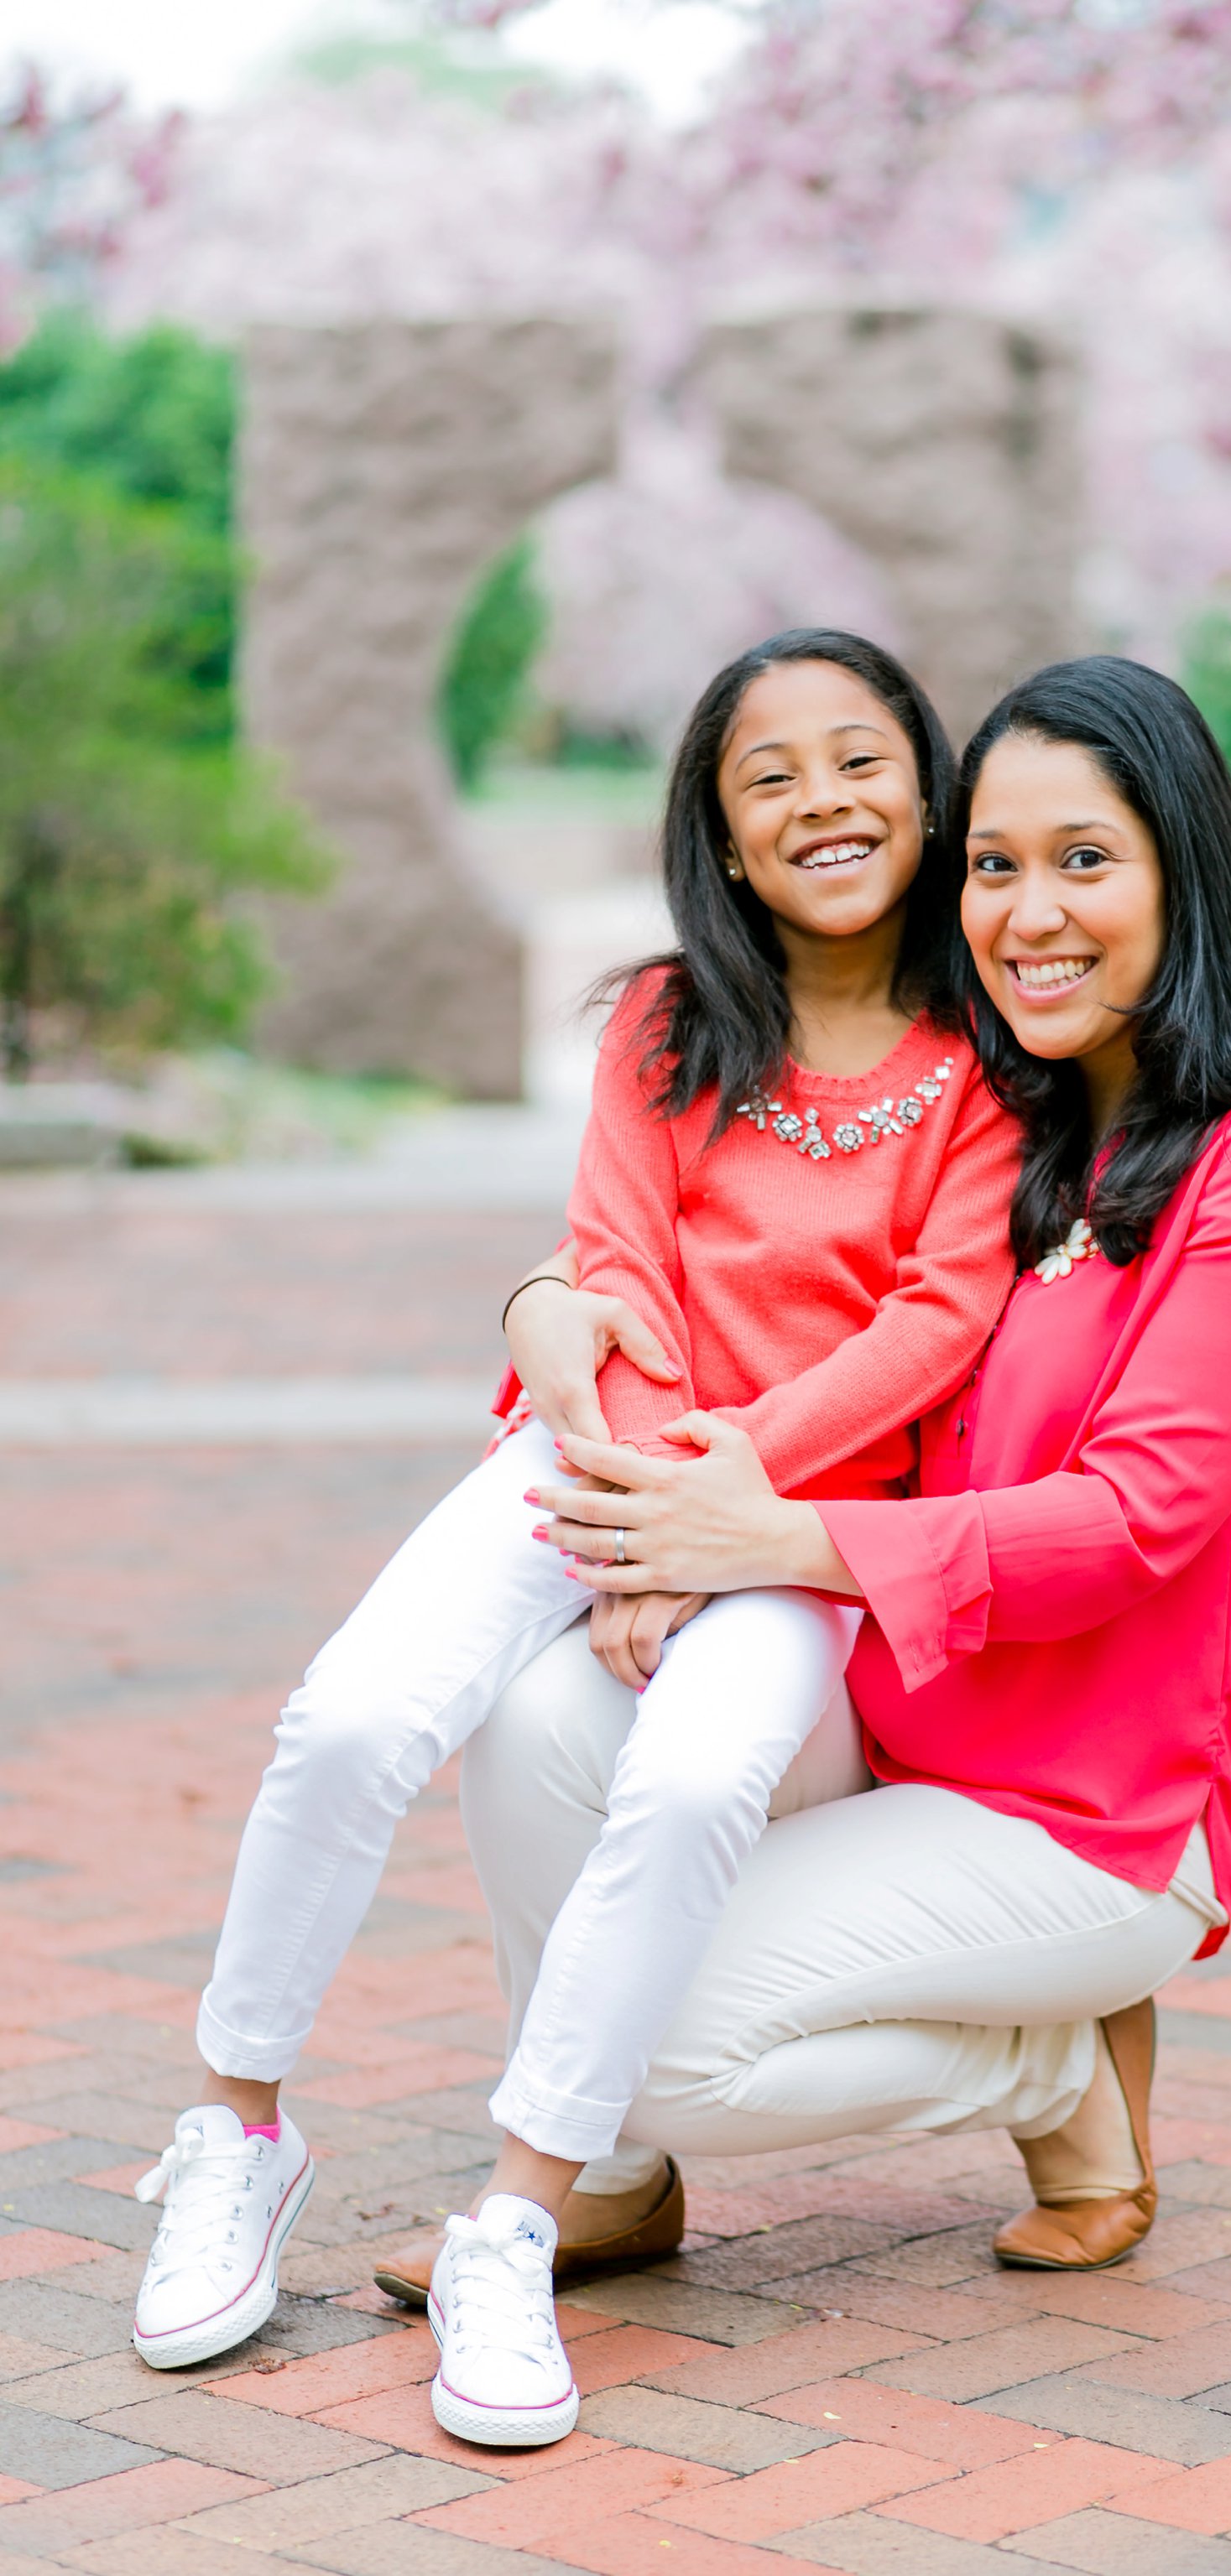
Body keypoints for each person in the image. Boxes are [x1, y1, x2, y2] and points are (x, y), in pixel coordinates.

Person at [130, 631, 1022, 2452]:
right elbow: (610, 1261)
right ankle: (238, 2129)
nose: (820, 803)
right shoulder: (664, 1020)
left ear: (926, 796)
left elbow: (936, 1325)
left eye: (857, 762)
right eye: (766, 778)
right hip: (605, 1459)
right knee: (357, 1719)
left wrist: (715, 1514)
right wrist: (633, 1514)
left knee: (690, 1787)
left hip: (801, 1515)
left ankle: (519, 2220)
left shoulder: (985, 1054)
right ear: (718, 826)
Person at [455, 654, 1231, 2350]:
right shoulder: (1022, 1112)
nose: (1029, 913)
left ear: (1187, 879)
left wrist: (781, 1538)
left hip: (1094, 1805)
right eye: (993, 865)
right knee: (540, 1721)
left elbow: (1132, 1521)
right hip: (903, 1714)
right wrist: (549, 1296)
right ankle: (607, 2181)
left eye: (1085, 862)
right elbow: (756, 1265)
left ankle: (1055, 2061)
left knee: (647, 2039)